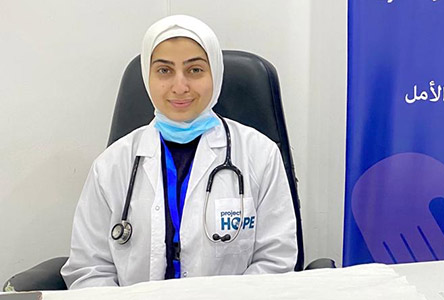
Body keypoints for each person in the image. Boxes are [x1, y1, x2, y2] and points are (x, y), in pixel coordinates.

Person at [61, 15, 298, 289]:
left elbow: (275, 261)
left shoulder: (260, 155)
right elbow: (90, 269)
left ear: (215, 74)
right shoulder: (112, 165)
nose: (180, 86)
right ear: (147, 76)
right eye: (164, 71)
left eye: (195, 70)